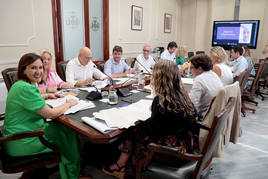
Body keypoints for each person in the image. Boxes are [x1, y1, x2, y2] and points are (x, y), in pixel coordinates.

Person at [103, 60, 198, 178]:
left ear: (159, 79)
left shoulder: (161, 101)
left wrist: (143, 122)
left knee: (133, 133)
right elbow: (193, 114)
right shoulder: (183, 94)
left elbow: (153, 130)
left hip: (172, 150)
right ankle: (122, 163)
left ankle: (121, 166)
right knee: (137, 129)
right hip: (186, 142)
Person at [2, 53, 90, 179]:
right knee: (68, 134)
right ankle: (72, 174)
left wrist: (48, 95)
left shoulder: (19, 85)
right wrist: (69, 104)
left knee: (64, 130)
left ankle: (69, 168)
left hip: (19, 133)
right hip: (22, 140)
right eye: (33, 68)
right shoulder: (26, 88)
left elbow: (32, 98)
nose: (38, 71)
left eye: (40, 67)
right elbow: (51, 114)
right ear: (23, 69)